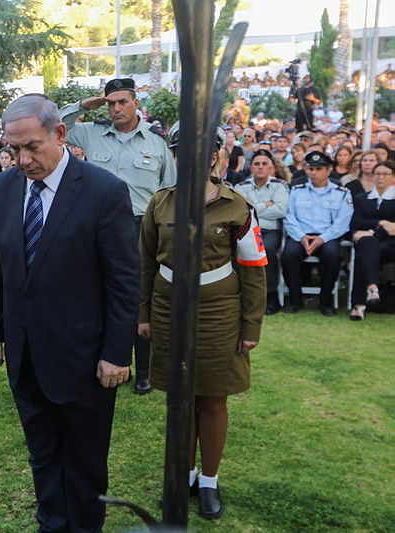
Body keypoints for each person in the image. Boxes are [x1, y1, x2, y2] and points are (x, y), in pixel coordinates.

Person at [0, 94, 138, 533]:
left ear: (60, 134)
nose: (23, 159)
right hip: (25, 355)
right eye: (13, 150)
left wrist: (116, 353)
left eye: (32, 147)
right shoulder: (4, 189)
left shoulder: (104, 191)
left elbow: (123, 282)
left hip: (85, 360)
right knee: (43, 452)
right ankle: (51, 524)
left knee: (84, 462)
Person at [138, 126, 267, 520]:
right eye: (180, 151)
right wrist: (142, 314)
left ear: (214, 156)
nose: (188, 158)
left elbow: (254, 268)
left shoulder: (236, 206)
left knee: (211, 397)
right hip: (167, 307)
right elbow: (144, 263)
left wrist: (250, 327)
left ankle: (208, 479)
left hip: (218, 312)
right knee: (179, 398)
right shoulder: (161, 203)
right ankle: (183, 475)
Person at [59, 77, 176, 395]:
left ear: (137, 103)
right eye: (110, 102)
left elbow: (169, 191)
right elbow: (54, 128)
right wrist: (83, 106)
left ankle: (144, 371)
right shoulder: (91, 133)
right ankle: (103, 360)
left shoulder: (157, 142)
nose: (115, 108)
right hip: (98, 227)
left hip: (142, 227)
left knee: (139, 298)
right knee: (97, 294)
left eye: (122, 101)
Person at [281, 151, 353, 316]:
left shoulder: (341, 193)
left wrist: (322, 238)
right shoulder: (297, 190)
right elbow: (289, 216)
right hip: (301, 235)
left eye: (319, 169)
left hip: (328, 236)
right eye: (311, 169)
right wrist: (302, 237)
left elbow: (343, 222)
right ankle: (295, 299)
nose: (313, 172)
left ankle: (325, 301)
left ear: (329, 170)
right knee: (288, 255)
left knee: (332, 256)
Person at [235, 149, 290, 314]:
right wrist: (267, 204)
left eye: (264, 164)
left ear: (271, 168)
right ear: (251, 168)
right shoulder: (241, 186)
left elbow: (281, 210)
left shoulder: (279, 186)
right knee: (237, 249)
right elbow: (242, 212)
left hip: (270, 230)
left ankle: (270, 296)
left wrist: (254, 208)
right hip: (247, 229)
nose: (260, 167)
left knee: (267, 250)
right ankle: (243, 294)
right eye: (256, 164)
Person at [348, 160, 395, 320]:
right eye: (378, 174)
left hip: (391, 244)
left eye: (385, 174)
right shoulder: (362, 198)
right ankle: (372, 288)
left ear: (393, 177)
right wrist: (381, 223)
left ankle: (359, 304)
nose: (380, 177)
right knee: (367, 246)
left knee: (365, 251)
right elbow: (355, 222)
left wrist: (371, 231)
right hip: (370, 243)